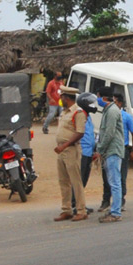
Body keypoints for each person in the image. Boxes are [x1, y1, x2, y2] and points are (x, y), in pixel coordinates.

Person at [53, 87, 89, 222]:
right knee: (63, 181)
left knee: (75, 181)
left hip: (71, 149)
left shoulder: (78, 112)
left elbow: (80, 132)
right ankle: (66, 209)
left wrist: (65, 145)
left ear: (66, 97)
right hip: (61, 150)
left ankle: (81, 210)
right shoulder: (64, 112)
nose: (61, 99)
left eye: (62, 96)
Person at [93, 86, 126, 222]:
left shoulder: (112, 111)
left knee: (115, 182)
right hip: (110, 150)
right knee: (113, 181)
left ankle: (116, 212)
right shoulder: (109, 110)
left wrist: (100, 149)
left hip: (113, 150)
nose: (98, 100)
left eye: (99, 97)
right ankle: (114, 210)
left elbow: (109, 133)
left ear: (104, 98)